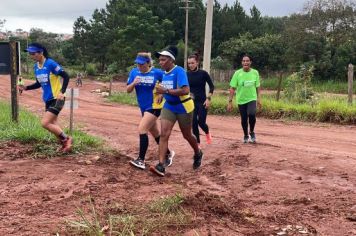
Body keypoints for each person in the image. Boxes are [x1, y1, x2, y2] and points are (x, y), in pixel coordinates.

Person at [150, 46, 203, 177]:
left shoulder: (179, 71)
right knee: (164, 134)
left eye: (163, 60)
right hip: (169, 106)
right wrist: (162, 94)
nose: (160, 62)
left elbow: (185, 90)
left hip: (183, 106)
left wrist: (166, 91)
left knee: (187, 135)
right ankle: (161, 165)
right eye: (160, 60)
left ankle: (197, 152)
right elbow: (163, 88)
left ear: (170, 60)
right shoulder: (163, 74)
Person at [18, 43, 72, 152]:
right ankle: (65, 145)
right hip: (47, 99)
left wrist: (62, 92)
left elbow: (66, 76)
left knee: (45, 123)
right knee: (53, 124)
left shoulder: (50, 63)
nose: (31, 55)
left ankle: (67, 139)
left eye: (33, 53)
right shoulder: (36, 67)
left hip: (58, 98)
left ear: (41, 53)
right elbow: (39, 83)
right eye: (30, 53)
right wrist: (26, 88)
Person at [127, 52, 175, 170]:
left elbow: (169, 82)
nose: (139, 66)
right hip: (143, 107)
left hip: (154, 106)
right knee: (155, 133)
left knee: (142, 129)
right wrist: (134, 83)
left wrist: (162, 94)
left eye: (142, 64)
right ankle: (168, 153)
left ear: (148, 63)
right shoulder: (134, 72)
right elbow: (128, 90)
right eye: (138, 64)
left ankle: (141, 160)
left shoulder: (158, 73)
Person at [227, 54, 261, 143]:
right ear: (242, 63)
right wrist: (230, 102)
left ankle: (252, 131)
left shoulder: (255, 73)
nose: (245, 62)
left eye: (247, 61)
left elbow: (258, 87)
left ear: (250, 62)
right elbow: (232, 88)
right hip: (241, 100)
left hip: (252, 98)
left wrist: (259, 99)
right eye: (244, 61)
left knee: (252, 114)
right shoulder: (237, 73)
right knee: (244, 118)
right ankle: (246, 134)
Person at [187, 53, 214, 147]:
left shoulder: (203, 73)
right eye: (189, 63)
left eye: (192, 63)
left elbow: (212, 87)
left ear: (197, 63)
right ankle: (197, 143)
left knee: (201, 122)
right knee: (194, 123)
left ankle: (207, 133)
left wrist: (208, 99)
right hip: (191, 102)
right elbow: (183, 87)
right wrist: (187, 93)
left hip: (202, 101)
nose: (190, 65)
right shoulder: (186, 74)